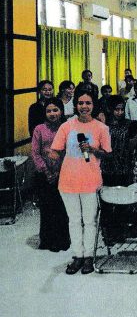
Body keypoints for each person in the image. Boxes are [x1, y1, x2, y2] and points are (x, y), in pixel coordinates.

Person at [50, 89, 112, 274]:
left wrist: (92, 149)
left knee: (90, 221)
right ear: (76, 105)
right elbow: (56, 150)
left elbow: (107, 154)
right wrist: (50, 155)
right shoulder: (66, 126)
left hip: (91, 180)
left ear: (93, 105)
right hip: (68, 180)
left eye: (88, 103)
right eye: (80, 103)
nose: (84, 106)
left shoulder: (101, 128)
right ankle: (77, 255)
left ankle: (89, 256)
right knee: (74, 220)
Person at [31, 97, 70, 252]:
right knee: (47, 208)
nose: (52, 113)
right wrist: (47, 172)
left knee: (62, 208)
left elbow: (69, 152)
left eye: (55, 110)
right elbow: (35, 153)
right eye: (48, 111)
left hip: (64, 174)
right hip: (44, 176)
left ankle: (62, 240)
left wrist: (59, 172)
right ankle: (47, 240)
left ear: (61, 111)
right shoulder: (39, 129)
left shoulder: (66, 128)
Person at [100, 95, 131, 187]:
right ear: (110, 109)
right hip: (107, 167)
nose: (120, 112)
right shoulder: (104, 124)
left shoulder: (128, 124)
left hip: (124, 167)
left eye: (122, 109)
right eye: (117, 109)